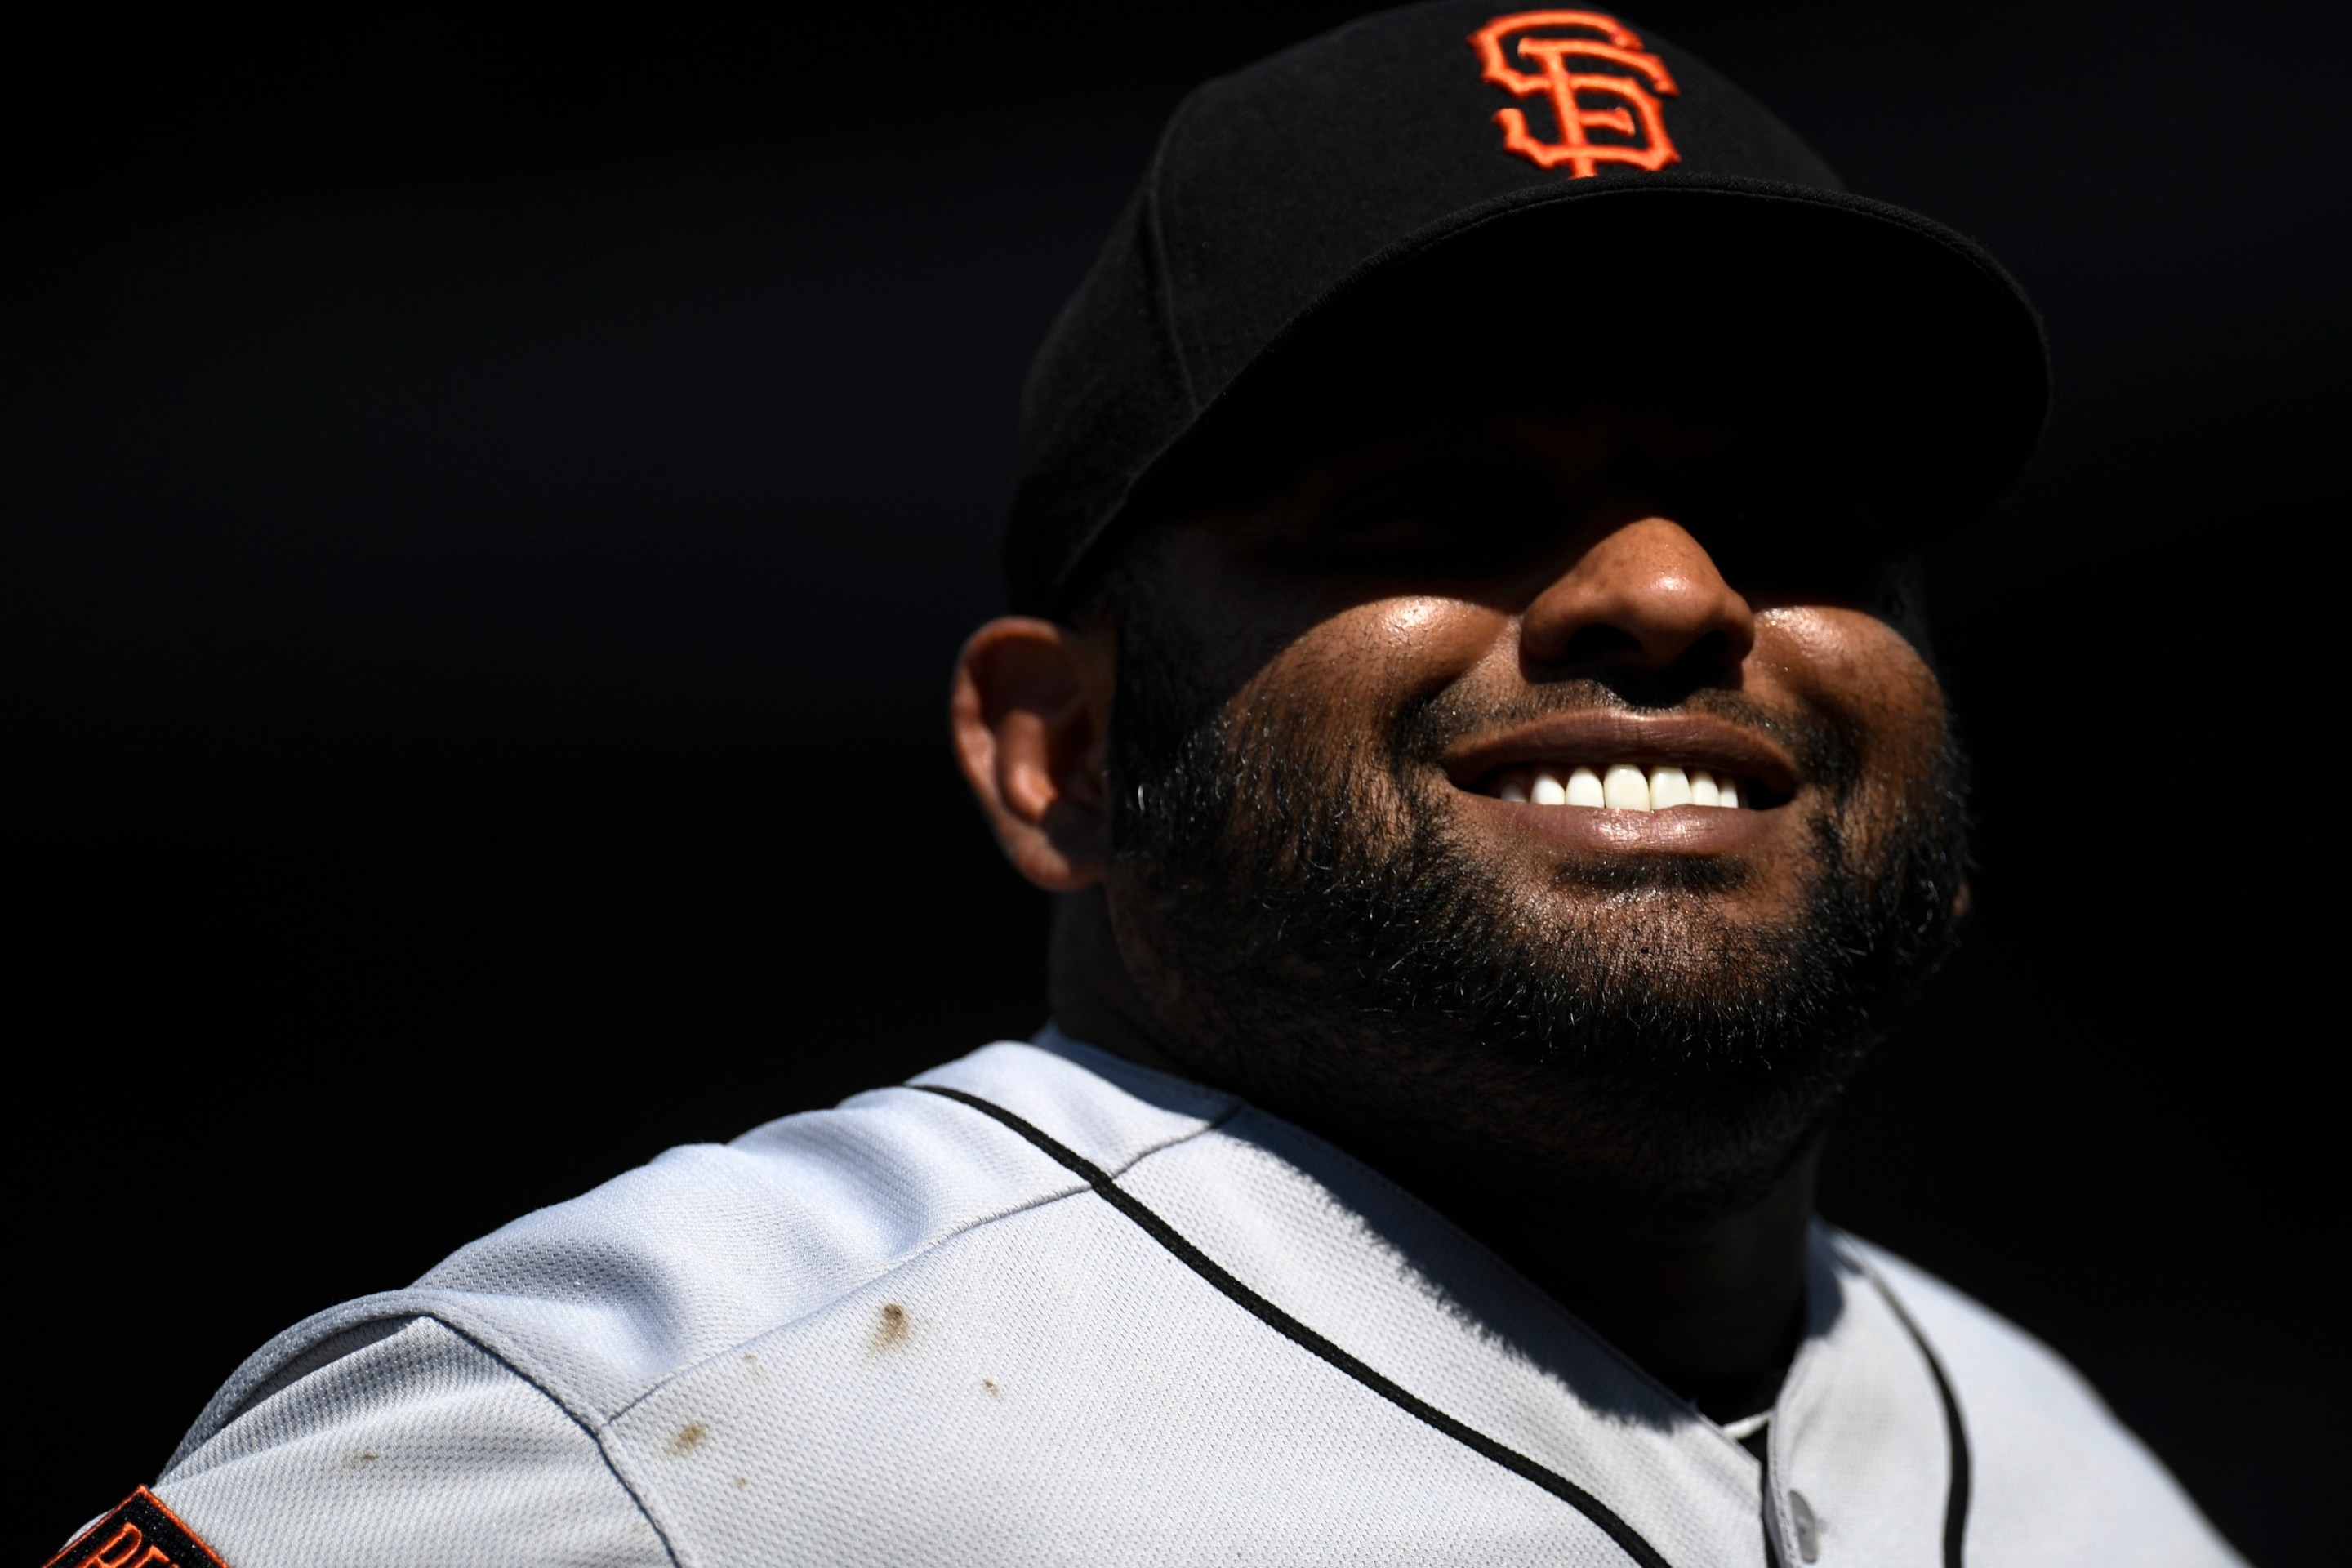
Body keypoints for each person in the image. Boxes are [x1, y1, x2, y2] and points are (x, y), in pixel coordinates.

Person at [56, 6, 2240, 1565]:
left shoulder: (2082, 1483)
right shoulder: (670, 1428)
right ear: (1062, 750)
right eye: (1442, 502)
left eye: (1793, 519)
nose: (1673, 594)